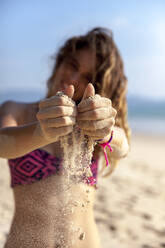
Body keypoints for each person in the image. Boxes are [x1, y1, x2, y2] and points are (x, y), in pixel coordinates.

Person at [0, 27, 130, 248]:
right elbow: (2, 143)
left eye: (87, 76)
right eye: (72, 65)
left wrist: (106, 133)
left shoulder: (93, 124)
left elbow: (123, 146)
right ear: (60, 61)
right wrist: (41, 132)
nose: (72, 78)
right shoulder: (17, 110)